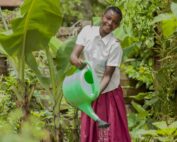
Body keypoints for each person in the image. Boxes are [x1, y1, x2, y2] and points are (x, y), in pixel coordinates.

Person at [70, 6, 131, 142]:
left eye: (114, 22)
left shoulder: (114, 46)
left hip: (108, 93)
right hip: (89, 89)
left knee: (109, 134)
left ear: (117, 26)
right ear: (102, 16)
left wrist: (95, 94)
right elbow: (73, 55)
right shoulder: (87, 32)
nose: (110, 23)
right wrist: (76, 61)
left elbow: (107, 76)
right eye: (108, 18)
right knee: (89, 132)